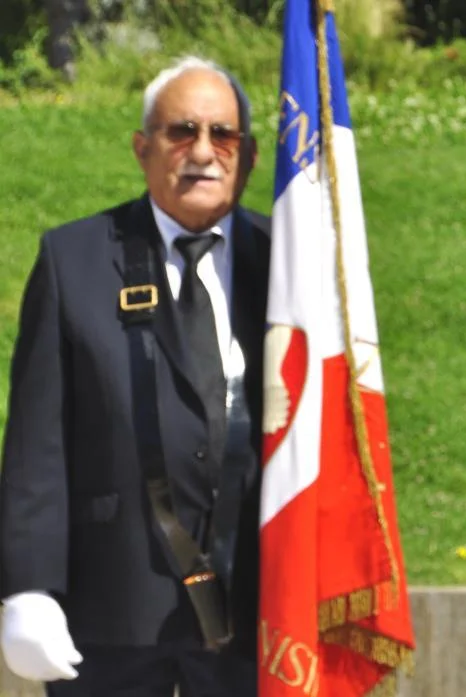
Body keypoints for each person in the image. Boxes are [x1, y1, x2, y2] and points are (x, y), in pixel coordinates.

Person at [0, 55, 269, 696]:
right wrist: (28, 588)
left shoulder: (286, 264)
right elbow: (38, 443)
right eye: (181, 131)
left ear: (250, 156)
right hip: (112, 608)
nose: (202, 152)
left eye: (222, 134)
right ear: (143, 149)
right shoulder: (75, 259)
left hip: (259, 607)